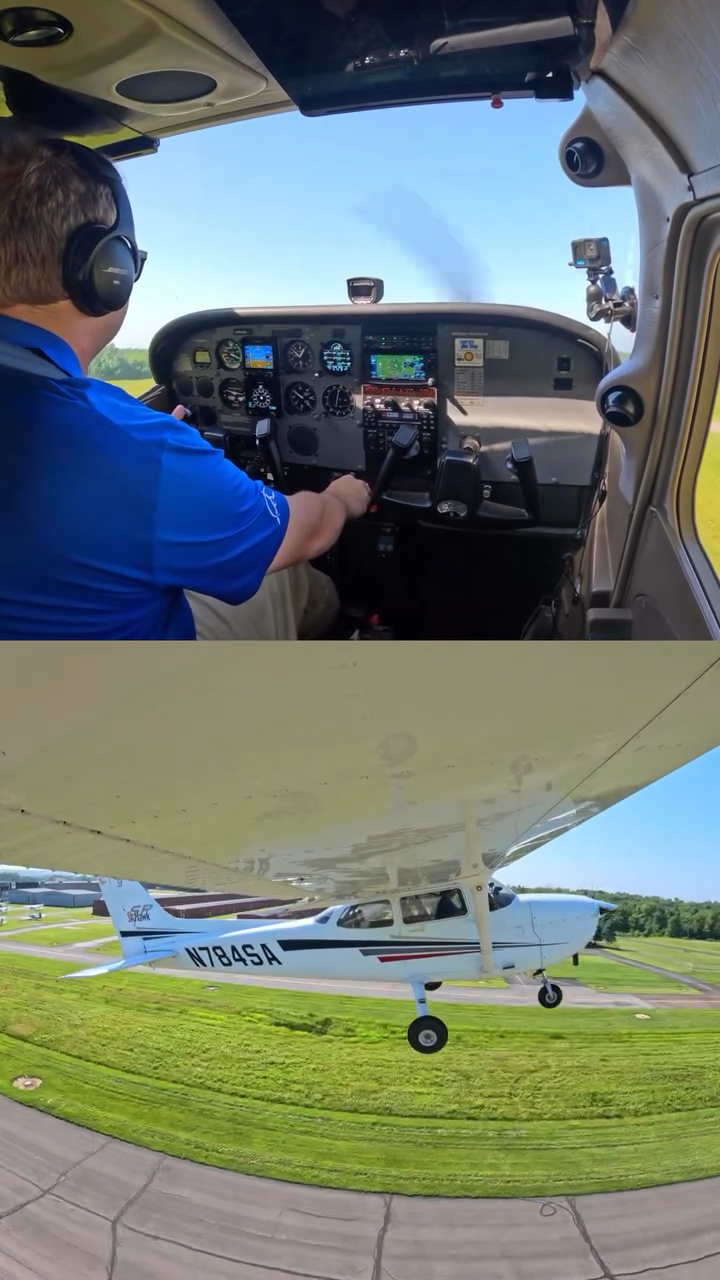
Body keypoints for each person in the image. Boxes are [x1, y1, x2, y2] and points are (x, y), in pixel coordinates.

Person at [0, 126, 371, 640]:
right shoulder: (135, 448)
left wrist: (152, 449)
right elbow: (302, 534)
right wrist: (341, 499)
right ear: (108, 269)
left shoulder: (131, 440)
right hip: (120, 688)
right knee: (287, 575)